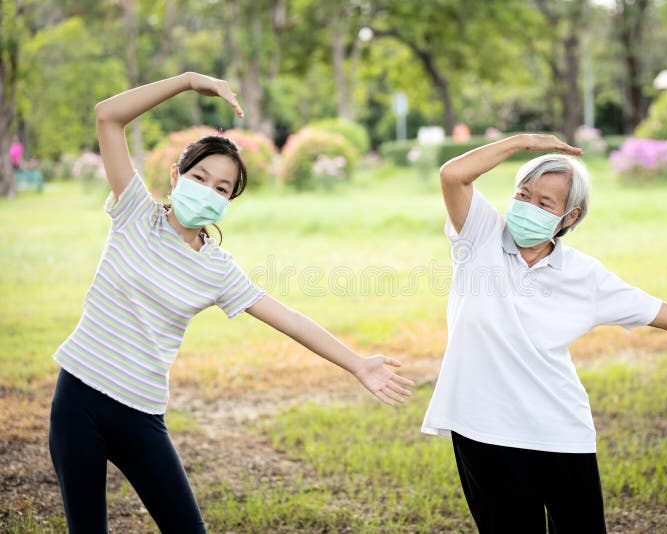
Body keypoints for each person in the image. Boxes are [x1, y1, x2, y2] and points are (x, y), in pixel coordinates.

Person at [48, 72, 415, 533]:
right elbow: (108, 115)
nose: (207, 190)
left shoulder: (217, 269)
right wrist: (185, 82)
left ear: (229, 202)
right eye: (199, 177)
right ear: (175, 176)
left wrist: (357, 363)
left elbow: (290, 319)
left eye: (221, 188)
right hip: (78, 396)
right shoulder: (134, 214)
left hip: (140, 411)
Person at [420, 133, 667, 533]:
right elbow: (453, 175)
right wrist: (524, 142)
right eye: (522, 194)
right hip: (485, 427)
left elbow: (651, 308)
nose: (526, 207)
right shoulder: (480, 237)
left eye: (544, 203)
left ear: (569, 217)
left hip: (561, 427)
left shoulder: (584, 275)